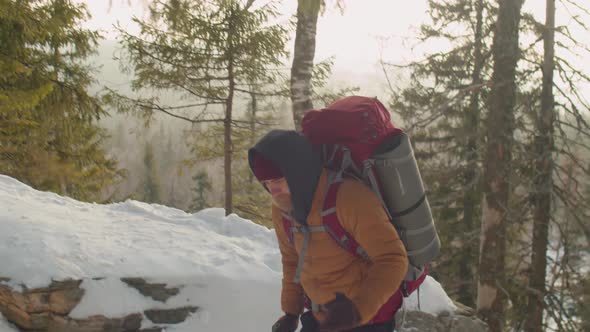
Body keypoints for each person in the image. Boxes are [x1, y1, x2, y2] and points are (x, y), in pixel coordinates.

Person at [248, 129, 408, 332]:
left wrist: (357, 310)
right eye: (266, 183)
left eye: (278, 180)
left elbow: (393, 259)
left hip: (369, 319)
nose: (273, 191)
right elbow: (292, 260)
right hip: (322, 318)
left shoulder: (349, 198)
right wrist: (291, 312)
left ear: (298, 173)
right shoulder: (282, 208)